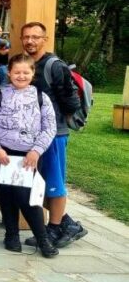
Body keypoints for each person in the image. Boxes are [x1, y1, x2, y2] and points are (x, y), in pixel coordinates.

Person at [0, 53, 58, 258]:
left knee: (26, 196)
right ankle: (11, 234)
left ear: (33, 73)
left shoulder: (41, 98)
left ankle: (42, 238)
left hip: (29, 156)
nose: (21, 76)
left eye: (26, 72)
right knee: (6, 194)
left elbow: (49, 127)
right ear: (9, 73)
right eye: (17, 72)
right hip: (4, 154)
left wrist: (36, 151)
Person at [21, 21, 87, 248]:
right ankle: (66, 224)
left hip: (53, 135)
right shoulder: (29, 64)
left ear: (44, 39)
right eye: (26, 37)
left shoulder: (54, 66)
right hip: (32, 137)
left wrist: (57, 122)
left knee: (54, 183)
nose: (30, 41)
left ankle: (55, 228)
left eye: (35, 37)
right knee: (37, 184)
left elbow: (71, 101)